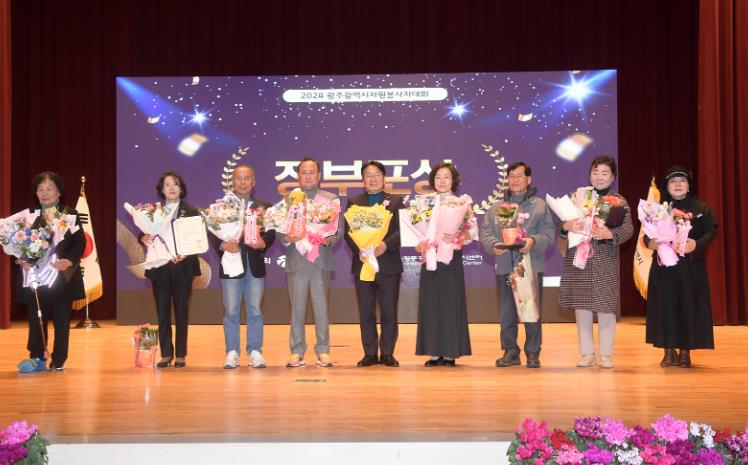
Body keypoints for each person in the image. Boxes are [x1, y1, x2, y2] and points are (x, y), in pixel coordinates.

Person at [559, 156, 633, 369]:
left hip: (605, 259)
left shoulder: (618, 201)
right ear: (589, 174)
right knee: (582, 308)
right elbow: (562, 226)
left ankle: (606, 355)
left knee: (606, 308)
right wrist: (566, 227)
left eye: (604, 173)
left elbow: (628, 229)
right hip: (580, 259)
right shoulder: (579, 196)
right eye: (595, 172)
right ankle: (587, 353)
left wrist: (610, 233)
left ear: (613, 177)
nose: (599, 177)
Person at [479, 162, 555, 368]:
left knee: (531, 311)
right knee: (507, 313)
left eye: (519, 176)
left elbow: (549, 235)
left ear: (528, 179)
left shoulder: (539, 206)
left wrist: (533, 241)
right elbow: (486, 233)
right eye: (511, 176)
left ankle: (533, 353)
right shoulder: (497, 207)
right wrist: (493, 245)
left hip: (530, 266)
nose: (514, 180)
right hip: (505, 266)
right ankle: (510, 351)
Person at [645, 165, 717, 368]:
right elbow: (646, 234)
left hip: (690, 269)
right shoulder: (658, 209)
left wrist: (697, 244)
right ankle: (668, 351)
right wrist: (650, 243)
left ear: (688, 185)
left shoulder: (701, 208)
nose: (678, 184)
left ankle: (685, 351)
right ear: (666, 186)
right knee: (665, 307)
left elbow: (711, 231)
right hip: (664, 268)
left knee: (688, 306)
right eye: (673, 181)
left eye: (682, 180)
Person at [16, 171, 85, 372]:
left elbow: (80, 242)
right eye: (40, 189)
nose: (44, 193)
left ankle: (59, 359)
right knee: (36, 319)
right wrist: (21, 259)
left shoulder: (69, 215)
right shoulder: (29, 217)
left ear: (59, 192)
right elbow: (20, 243)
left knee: (62, 321)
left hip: (60, 276)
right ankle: (37, 357)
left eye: (49, 189)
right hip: (36, 277)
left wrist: (69, 261)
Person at [211, 165, 275, 369]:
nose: (242, 182)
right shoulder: (222, 207)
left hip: (254, 265)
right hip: (230, 264)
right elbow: (212, 231)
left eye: (247, 178)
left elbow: (271, 232)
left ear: (253, 182)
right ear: (233, 181)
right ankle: (232, 352)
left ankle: (255, 351)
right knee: (231, 310)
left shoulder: (264, 207)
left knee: (255, 310)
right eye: (238, 178)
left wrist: (263, 242)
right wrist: (223, 245)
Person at [281, 157, 342, 368]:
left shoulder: (330, 199)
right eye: (304, 172)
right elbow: (280, 229)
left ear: (319, 175)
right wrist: (287, 237)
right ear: (298, 175)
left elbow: (338, 230)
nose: (308, 176)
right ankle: (296, 350)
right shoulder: (289, 200)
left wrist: (327, 239)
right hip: (297, 261)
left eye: (312, 172)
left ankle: (323, 350)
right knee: (297, 309)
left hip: (320, 260)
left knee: (321, 308)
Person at [415, 162, 476, 367]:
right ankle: (433, 352)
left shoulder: (461, 203)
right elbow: (415, 230)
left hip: (451, 258)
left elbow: (473, 230)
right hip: (430, 257)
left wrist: (459, 236)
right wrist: (420, 243)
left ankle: (450, 352)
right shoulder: (424, 203)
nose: (442, 181)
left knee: (450, 303)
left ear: (454, 180)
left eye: (446, 177)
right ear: (432, 180)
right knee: (431, 303)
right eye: (438, 177)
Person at [344, 161, 404, 367]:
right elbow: (348, 232)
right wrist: (359, 249)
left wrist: (385, 245)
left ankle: (387, 353)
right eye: (368, 175)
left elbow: (402, 230)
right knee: (366, 311)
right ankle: (369, 353)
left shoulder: (396, 201)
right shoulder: (354, 202)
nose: (372, 178)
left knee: (389, 311)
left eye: (377, 174)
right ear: (363, 179)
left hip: (388, 265)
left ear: (384, 178)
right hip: (363, 264)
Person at [140, 171, 201, 368]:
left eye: (175, 184)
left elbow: (198, 239)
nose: (172, 188)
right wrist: (143, 237)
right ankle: (166, 353)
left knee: (181, 311)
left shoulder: (191, 211)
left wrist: (187, 253)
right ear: (162, 189)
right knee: (163, 311)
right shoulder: (153, 211)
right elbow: (144, 233)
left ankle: (181, 354)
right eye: (167, 184)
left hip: (183, 267)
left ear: (181, 188)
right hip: (160, 267)